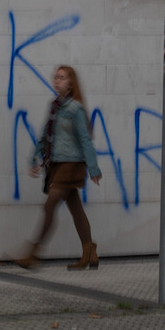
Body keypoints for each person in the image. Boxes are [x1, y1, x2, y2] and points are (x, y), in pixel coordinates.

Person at [16, 65, 102, 271]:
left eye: (62, 78)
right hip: (56, 164)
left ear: (71, 84)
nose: (57, 81)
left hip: (71, 165)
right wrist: (34, 159)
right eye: (55, 77)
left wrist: (93, 168)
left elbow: (84, 138)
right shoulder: (54, 107)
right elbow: (45, 135)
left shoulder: (75, 109)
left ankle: (33, 254)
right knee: (76, 209)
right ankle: (90, 252)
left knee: (50, 205)